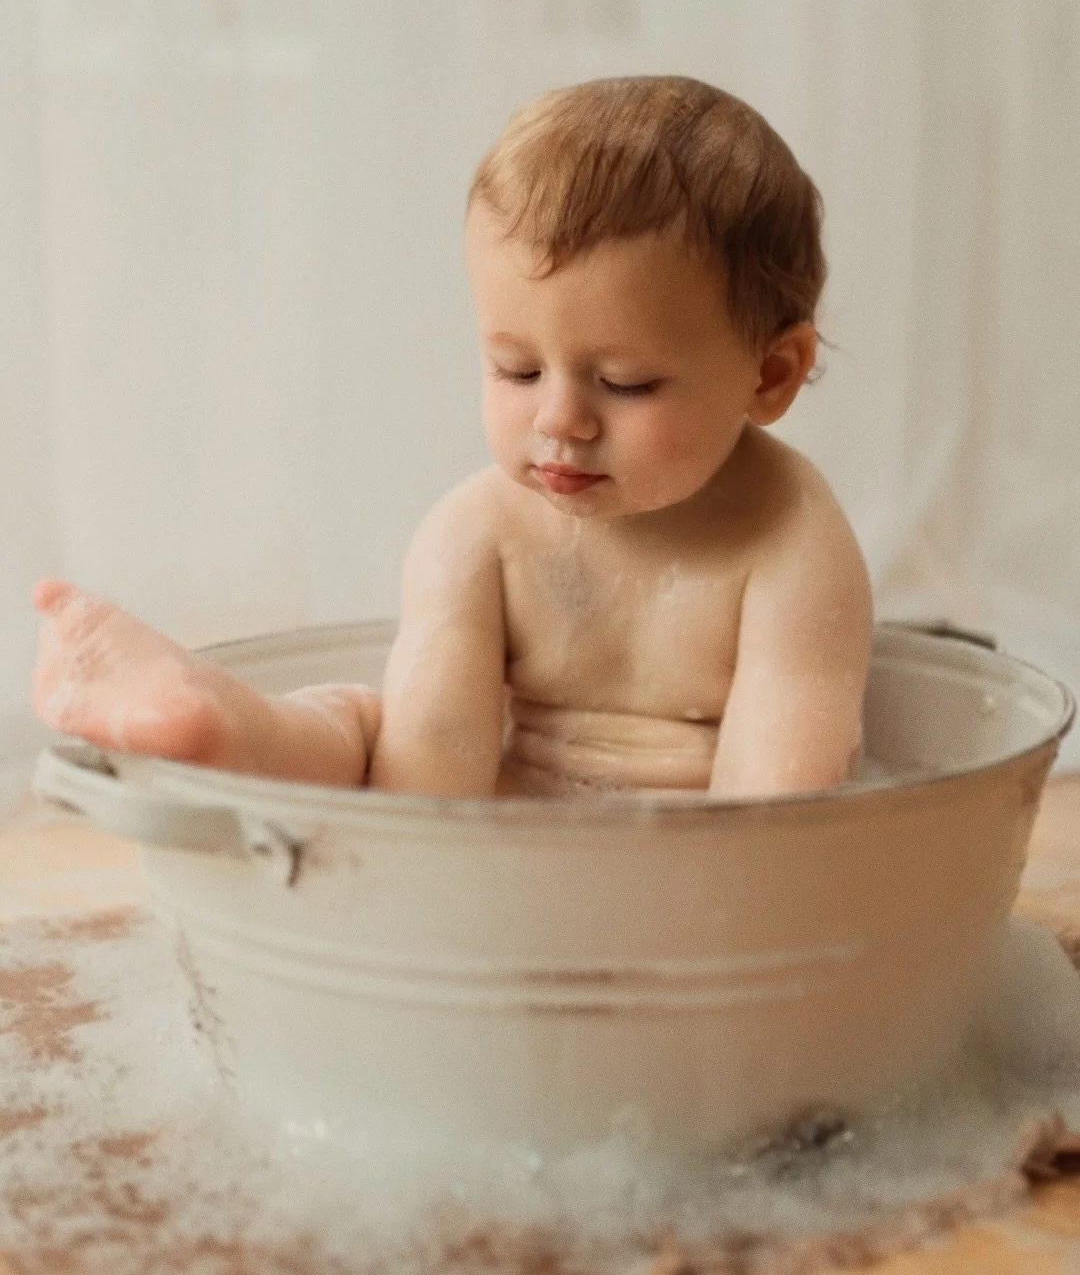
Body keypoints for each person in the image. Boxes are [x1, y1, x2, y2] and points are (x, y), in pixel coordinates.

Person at [32, 75, 872, 800]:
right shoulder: (479, 531)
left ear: (769, 376)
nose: (558, 420)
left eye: (624, 383)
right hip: (489, 830)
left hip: (688, 851)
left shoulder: (789, 540)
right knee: (358, 725)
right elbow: (427, 777)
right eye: (516, 370)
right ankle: (223, 724)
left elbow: (780, 805)